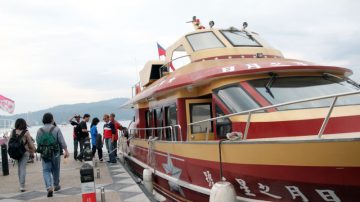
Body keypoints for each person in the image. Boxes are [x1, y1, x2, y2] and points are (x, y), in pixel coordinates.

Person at [36, 113, 69, 197]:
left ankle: (49, 187)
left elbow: (38, 142)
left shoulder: (39, 130)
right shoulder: (56, 129)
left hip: (45, 153)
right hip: (55, 152)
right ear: (51, 120)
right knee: (56, 169)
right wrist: (66, 150)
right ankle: (56, 185)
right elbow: (61, 141)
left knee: (46, 170)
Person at [12, 118, 36, 192]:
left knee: (19, 168)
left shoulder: (13, 131)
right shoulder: (26, 132)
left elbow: (10, 142)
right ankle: (22, 186)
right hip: (24, 152)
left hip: (15, 152)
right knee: (22, 168)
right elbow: (30, 143)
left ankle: (21, 183)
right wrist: (34, 150)